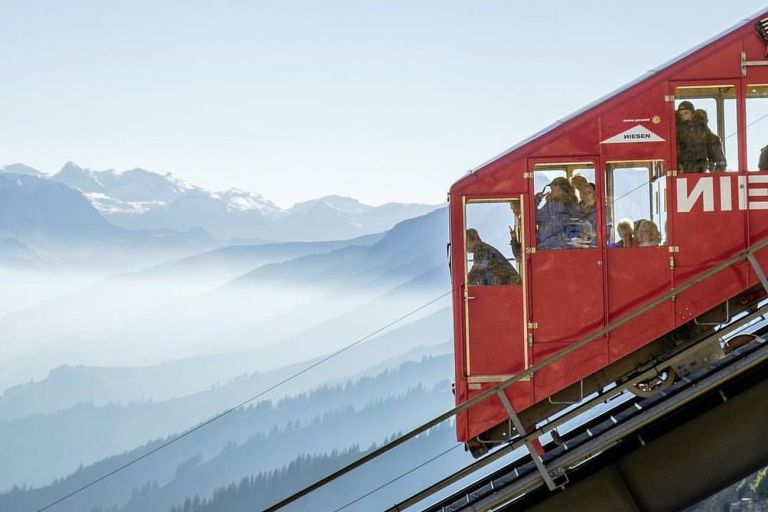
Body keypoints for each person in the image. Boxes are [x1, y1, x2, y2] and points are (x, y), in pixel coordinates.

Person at [676, 101, 723, 173]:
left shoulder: (701, 128)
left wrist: (720, 164)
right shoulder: (676, 130)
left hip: (699, 168)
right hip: (681, 168)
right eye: (681, 114)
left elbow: (714, 144)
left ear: (692, 114)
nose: (683, 116)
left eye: (686, 113)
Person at [535, 176, 579, 249]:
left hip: (548, 246)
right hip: (566, 247)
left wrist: (536, 199)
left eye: (552, 189)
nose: (551, 191)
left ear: (558, 188)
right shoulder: (574, 204)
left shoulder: (553, 205)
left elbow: (534, 217)